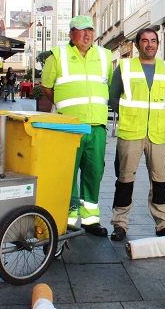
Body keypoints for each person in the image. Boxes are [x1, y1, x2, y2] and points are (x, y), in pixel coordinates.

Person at [41, 15, 113, 237]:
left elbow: (106, 84)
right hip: (70, 127)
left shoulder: (104, 56)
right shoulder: (58, 56)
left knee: (94, 173)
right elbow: (46, 88)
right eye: (82, 31)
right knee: (69, 175)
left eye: (90, 30)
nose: (87, 35)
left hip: (97, 127)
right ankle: (69, 218)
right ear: (71, 34)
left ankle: (91, 220)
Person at [107, 28, 165, 241]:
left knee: (160, 180)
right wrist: (129, 115)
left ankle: (163, 223)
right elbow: (114, 96)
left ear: (158, 44)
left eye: (153, 41)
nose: (149, 44)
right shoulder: (125, 67)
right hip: (130, 132)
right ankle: (120, 224)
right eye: (145, 41)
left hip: (158, 133)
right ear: (137, 45)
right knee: (125, 179)